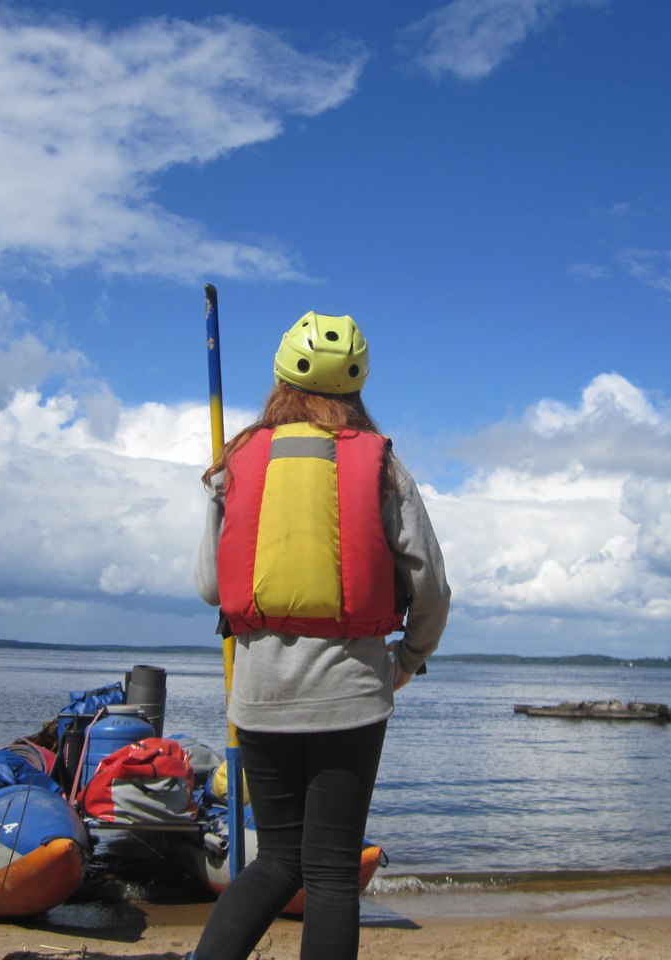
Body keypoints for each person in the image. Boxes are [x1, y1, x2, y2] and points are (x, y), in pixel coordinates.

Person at [189, 312, 451, 960]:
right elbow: (433, 589)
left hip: (258, 696)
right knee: (332, 871)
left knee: (277, 858)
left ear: (280, 380)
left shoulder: (235, 463)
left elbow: (207, 583)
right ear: (356, 387)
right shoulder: (383, 465)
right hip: (352, 695)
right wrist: (408, 661)